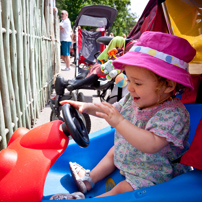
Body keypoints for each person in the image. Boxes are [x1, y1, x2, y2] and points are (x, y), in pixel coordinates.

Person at [49, 31, 196, 200]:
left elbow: (152, 145)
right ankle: (89, 180)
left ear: (168, 85)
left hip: (156, 172)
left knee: (122, 188)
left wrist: (119, 122)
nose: (130, 87)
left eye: (138, 83)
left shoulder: (174, 114)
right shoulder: (133, 99)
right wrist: (86, 107)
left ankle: (92, 199)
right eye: (129, 80)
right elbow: (111, 111)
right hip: (134, 158)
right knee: (114, 151)